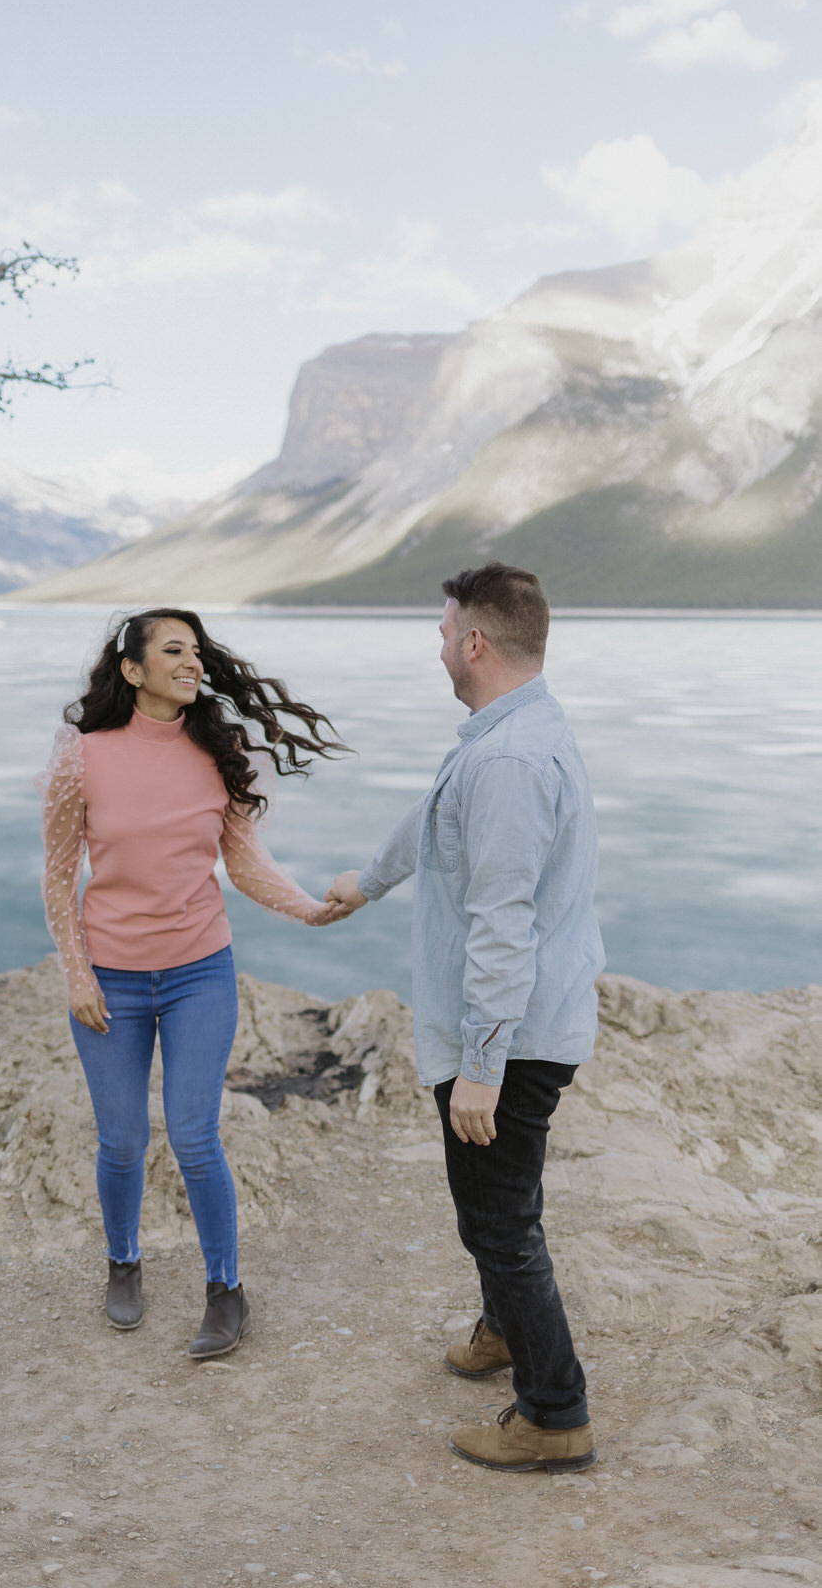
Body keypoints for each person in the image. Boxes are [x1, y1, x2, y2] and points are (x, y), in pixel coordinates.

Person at [326, 562, 604, 1473]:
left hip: (510, 1035)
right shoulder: (502, 737)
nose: (438, 646)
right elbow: (435, 812)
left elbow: (501, 926)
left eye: (444, 632)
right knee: (492, 1206)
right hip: (514, 1024)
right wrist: (366, 883)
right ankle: (499, 1328)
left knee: (499, 1223)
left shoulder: (512, 761)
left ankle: (553, 1412)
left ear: (474, 642)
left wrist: (480, 1066)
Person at [38, 607, 344, 1357]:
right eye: (174, 651)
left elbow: (243, 864)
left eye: (197, 652)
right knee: (120, 1141)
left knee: (195, 1135)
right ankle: (123, 1264)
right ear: (133, 670)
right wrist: (78, 975)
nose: (193, 662)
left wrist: (308, 910)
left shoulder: (221, 749)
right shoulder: (82, 755)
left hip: (198, 974)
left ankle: (225, 1290)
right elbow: (55, 877)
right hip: (111, 978)